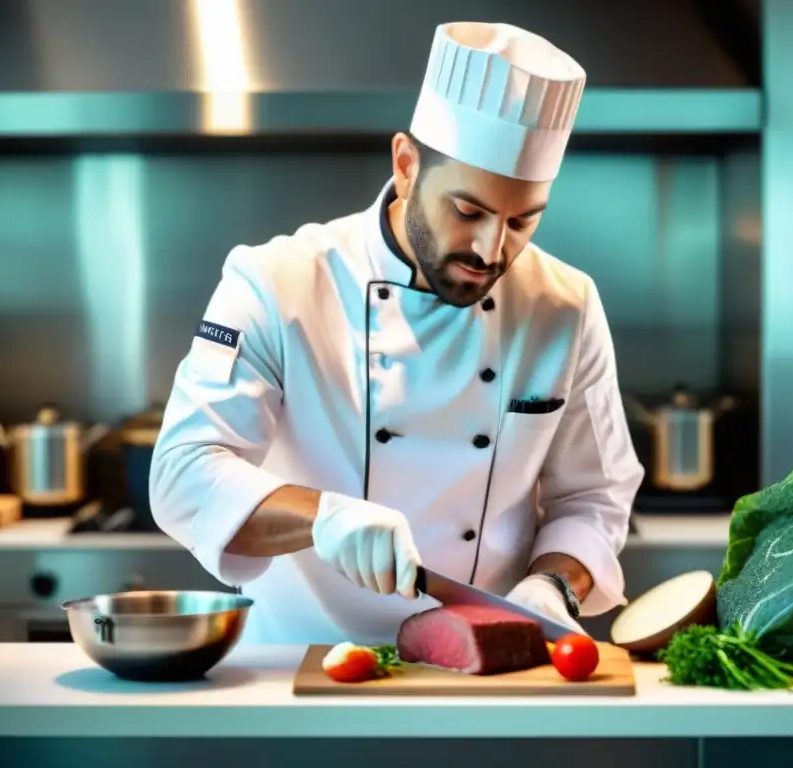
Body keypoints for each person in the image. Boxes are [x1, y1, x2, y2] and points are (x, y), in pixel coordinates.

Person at [149, 20, 645, 646]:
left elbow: (595, 497)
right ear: (407, 165)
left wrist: (554, 586)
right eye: (468, 211)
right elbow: (182, 474)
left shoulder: (565, 305)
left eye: (523, 221)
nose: (491, 250)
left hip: (488, 661)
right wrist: (322, 517)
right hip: (295, 663)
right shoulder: (276, 283)